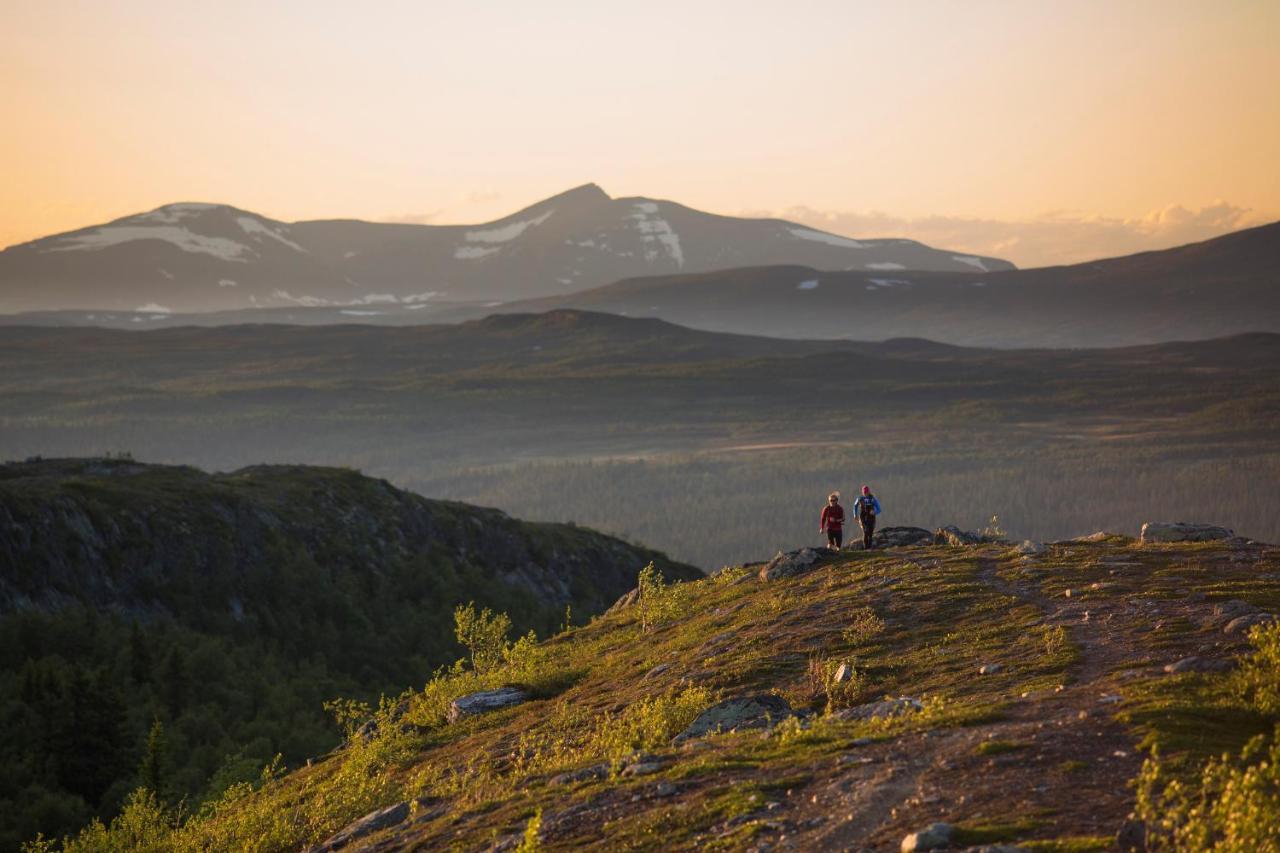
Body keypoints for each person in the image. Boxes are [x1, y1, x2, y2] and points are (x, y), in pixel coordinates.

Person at [854, 485, 881, 549]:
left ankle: (869, 547)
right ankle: (866, 548)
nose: (865, 494)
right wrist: (855, 514)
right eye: (864, 492)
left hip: (871, 517)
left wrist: (874, 512)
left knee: (870, 533)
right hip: (863, 517)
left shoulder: (873, 499)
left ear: (869, 492)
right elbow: (855, 506)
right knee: (865, 531)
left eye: (866, 492)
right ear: (862, 492)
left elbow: (879, 509)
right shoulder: (860, 499)